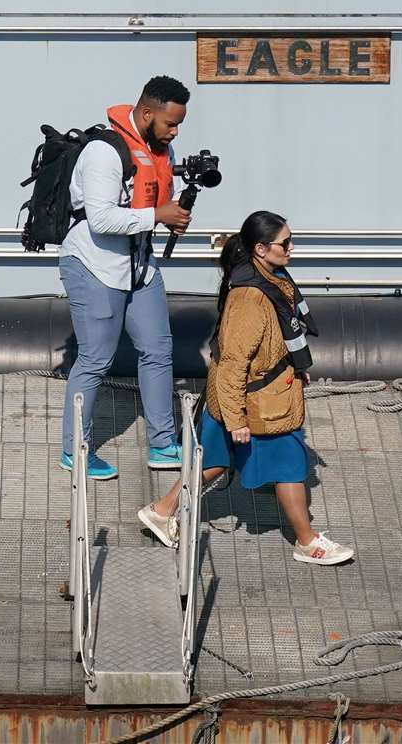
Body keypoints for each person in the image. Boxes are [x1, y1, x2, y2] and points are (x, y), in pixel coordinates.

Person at [137, 211, 354, 566]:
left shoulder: (270, 277)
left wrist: (294, 366)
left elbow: (277, 337)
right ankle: (307, 542)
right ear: (261, 248)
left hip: (250, 395)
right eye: (285, 243)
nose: (292, 248)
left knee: (215, 462)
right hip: (258, 404)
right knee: (290, 468)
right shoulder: (251, 299)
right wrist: (237, 419)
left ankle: (162, 512)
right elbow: (236, 362)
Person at [60, 76, 192, 480]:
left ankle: (163, 443)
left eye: (179, 125)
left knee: (158, 349)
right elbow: (100, 218)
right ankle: (75, 450)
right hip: (93, 264)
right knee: (95, 359)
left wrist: (171, 215)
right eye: (170, 123)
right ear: (147, 112)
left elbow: (149, 203)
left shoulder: (160, 150)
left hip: (139, 263)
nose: (174, 132)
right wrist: (158, 215)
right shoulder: (104, 152)